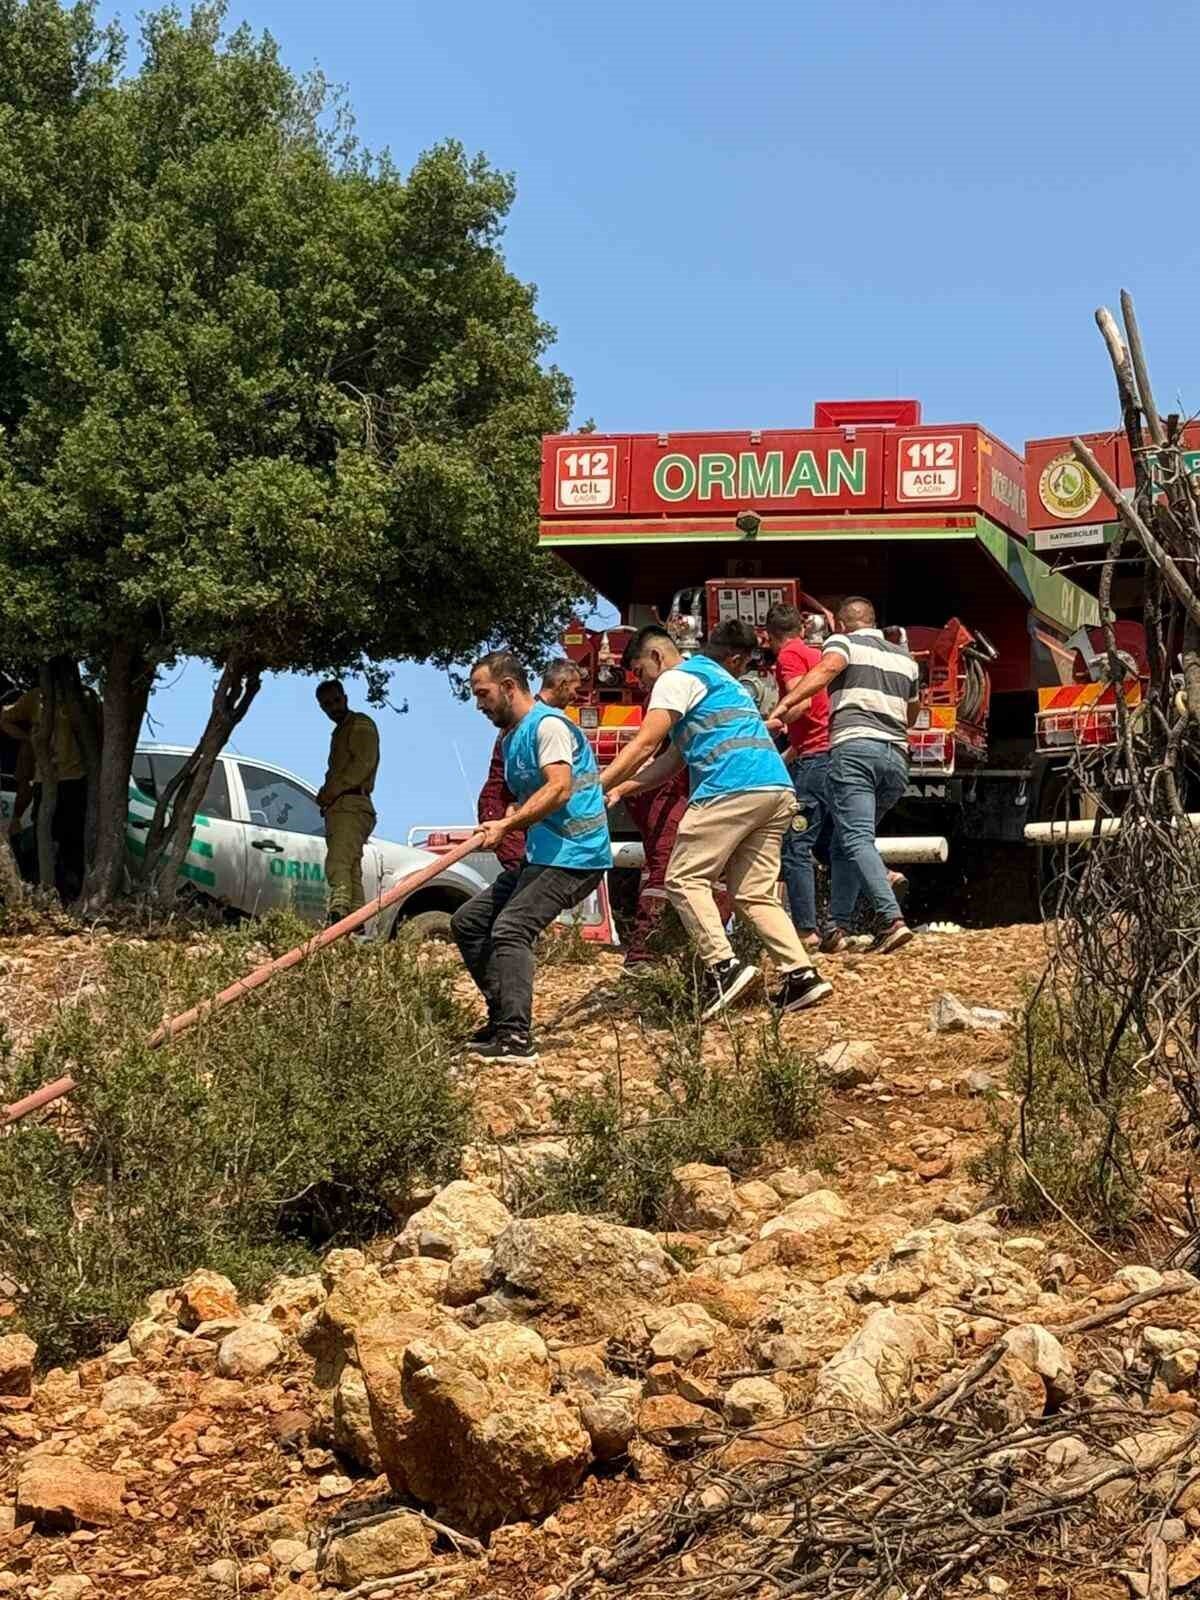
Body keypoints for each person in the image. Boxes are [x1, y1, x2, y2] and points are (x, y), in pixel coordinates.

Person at [600, 625, 832, 1019]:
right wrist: (623, 789)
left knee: (683, 879)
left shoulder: (674, 679)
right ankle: (801, 975)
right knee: (753, 892)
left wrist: (594, 786)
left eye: (640, 672)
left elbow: (644, 744)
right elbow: (673, 759)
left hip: (730, 789)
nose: (642, 683)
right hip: (774, 789)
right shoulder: (719, 679)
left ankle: (723, 969)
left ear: (656, 657)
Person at [453, 651, 611, 1063]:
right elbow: (527, 796)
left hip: (578, 857)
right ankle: (502, 1016)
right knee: (469, 923)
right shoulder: (510, 738)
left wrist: (509, 825)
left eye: (483, 693)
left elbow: (558, 788)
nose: (479, 705)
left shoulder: (550, 726)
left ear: (508, 687)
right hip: (543, 856)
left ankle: (515, 1039)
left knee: (511, 928)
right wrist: (502, 820)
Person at [768, 596, 919, 954]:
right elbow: (913, 713)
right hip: (896, 758)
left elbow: (826, 670)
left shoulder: (843, 643)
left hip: (855, 750)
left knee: (855, 838)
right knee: (844, 841)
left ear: (841, 623)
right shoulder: (904, 658)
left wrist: (785, 706)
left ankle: (891, 920)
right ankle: (838, 925)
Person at [476, 659, 583, 873]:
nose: (576, 696)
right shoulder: (534, 724)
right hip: (505, 810)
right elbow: (556, 787)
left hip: (517, 813)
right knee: (522, 878)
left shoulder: (535, 722)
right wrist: (508, 820)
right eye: (575, 688)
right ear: (562, 684)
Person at [766, 604, 832, 949]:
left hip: (814, 761)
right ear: (802, 629)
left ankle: (806, 930)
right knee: (829, 840)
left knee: (796, 843)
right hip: (826, 754)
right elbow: (817, 715)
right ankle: (840, 923)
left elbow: (803, 704)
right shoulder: (814, 653)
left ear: (769, 636)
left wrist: (772, 721)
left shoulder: (788, 657)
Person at [0, 682, 101, 901]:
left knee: (73, 841)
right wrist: (29, 739)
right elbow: (5, 718)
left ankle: (72, 895)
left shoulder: (85, 697)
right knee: (45, 836)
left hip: (76, 780)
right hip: (44, 780)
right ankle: (49, 892)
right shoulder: (36, 697)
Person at [314, 680, 380, 924]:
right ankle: (355, 922)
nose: (333, 707)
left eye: (336, 700)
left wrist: (330, 791)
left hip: (351, 803)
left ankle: (339, 914)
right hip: (342, 805)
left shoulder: (360, 724)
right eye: (327, 705)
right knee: (351, 868)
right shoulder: (342, 729)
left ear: (345, 697)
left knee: (338, 862)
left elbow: (362, 765)